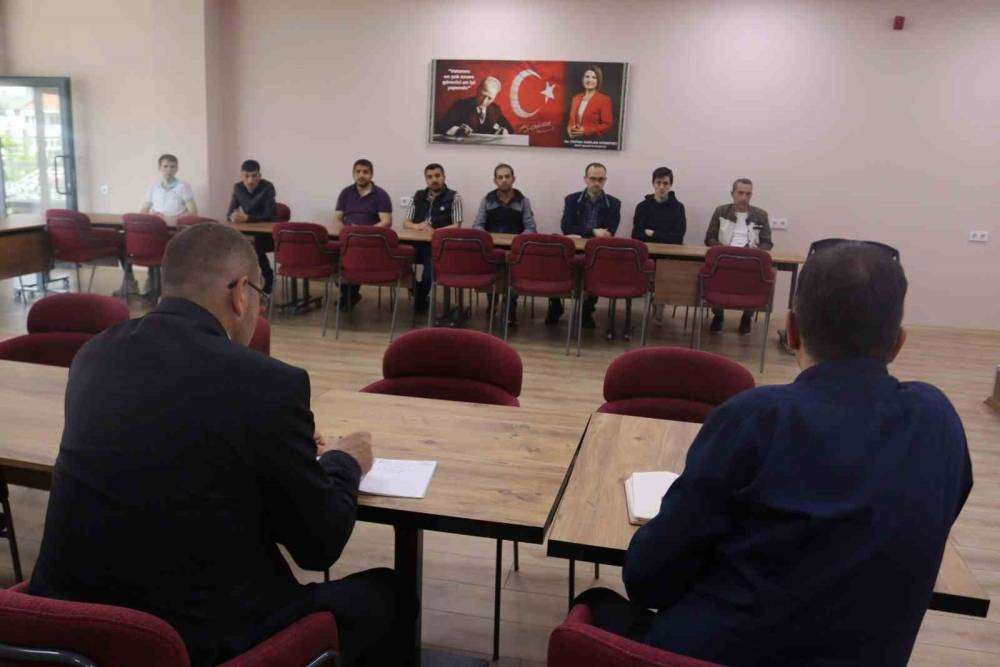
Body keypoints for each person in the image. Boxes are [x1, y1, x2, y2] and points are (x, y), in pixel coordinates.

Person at [575, 242, 972, 667]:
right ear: (898, 343)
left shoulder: (755, 418)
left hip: (713, 655)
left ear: (792, 330)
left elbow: (647, 580)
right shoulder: (938, 420)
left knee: (596, 606)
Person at [29, 223, 402, 666]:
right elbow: (319, 545)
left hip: (70, 628)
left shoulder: (94, 355)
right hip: (190, 641)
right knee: (388, 594)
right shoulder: (268, 383)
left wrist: (283, 443)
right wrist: (345, 460)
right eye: (259, 295)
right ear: (241, 292)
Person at [546, 163, 621, 336]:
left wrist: (583, 232)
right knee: (555, 254)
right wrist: (593, 231)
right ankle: (556, 304)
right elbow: (566, 227)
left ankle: (587, 310)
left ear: (605, 180)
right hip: (574, 248)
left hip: (597, 252)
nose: (596, 183)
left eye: (600, 179)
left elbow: (610, 232)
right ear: (585, 179)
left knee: (598, 264)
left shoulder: (614, 203)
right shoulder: (572, 200)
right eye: (593, 179)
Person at [704, 178, 773, 335]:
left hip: (750, 261)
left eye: (748, 194)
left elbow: (767, 242)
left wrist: (755, 253)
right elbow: (710, 238)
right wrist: (723, 251)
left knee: (759, 275)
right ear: (732, 194)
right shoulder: (721, 211)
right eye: (740, 193)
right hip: (724, 259)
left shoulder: (761, 215)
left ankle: (747, 317)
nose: (744, 197)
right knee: (714, 274)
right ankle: (718, 315)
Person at [472, 163, 537, 328]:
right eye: (500, 177)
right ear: (495, 181)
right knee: (491, 265)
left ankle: (510, 306)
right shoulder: (487, 200)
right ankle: (492, 300)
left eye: (507, 176)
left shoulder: (523, 201)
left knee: (513, 271)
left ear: (513, 179)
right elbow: (477, 225)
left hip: (515, 250)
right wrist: (488, 239)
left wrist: (518, 241)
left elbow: (531, 228)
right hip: (492, 248)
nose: (504, 180)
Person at [333, 159, 393, 311]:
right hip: (349, 240)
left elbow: (386, 222)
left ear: (371, 174)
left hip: (371, 242)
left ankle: (349, 296)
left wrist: (365, 232)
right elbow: (337, 218)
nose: (361, 175)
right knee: (332, 261)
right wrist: (344, 232)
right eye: (358, 172)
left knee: (353, 262)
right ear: (353, 174)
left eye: (365, 172)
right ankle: (350, 295)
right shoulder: (346, 193)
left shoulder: (381, 194)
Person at [404, 163, 463, 313]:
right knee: (398, 260)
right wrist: (417, 226)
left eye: (437, 176)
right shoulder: (418, 196)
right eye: (430, 177)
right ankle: (418, 293)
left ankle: (420, 297)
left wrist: (435, 231)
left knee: (430, 269)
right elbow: (406, 223)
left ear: (444, 176)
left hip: (438, 246)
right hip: (417, 243)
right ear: (426, 179)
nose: (434, 179)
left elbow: (456, 226)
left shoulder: (454, 197)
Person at [632, 166, 686, 323]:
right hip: (646, 253)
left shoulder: (678, 208)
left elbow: (678, 238)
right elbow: (636, 235)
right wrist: (663, 235)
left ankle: (659, 301)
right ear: (653, 183)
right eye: (658, 183)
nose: (661, 187)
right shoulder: (642, 206)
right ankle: (653, 298)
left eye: (665, 183)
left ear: (670, 185)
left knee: (666, 267)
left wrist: (653, 234)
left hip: (669, 254)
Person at [226, 159, 277, 293]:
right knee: (233, 242)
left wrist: (247, 218)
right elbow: (229, 214)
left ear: (260, 175)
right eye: (246, 176)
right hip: (249, 232)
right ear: (241, 176)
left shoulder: (268, 187)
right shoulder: (238, 187)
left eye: (254, 176)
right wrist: (233, 217)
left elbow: (268, 216)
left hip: (268, 234)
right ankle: (240, 282)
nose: (250, 180)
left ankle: (268, 277)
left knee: (253, 243)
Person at [438, 76, 513, 137]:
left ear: (495, 97)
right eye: (482, 95)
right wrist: (457, 130)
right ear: (478, 90)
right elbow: (441, 127)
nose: (484, 101)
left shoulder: (495, 109)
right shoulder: (461, 105)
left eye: (489, 98)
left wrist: (504, 131)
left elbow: (510, 130)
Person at [140, 153, 197, 222]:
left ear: (177, 169)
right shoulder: (153, 187)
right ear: (159, 168)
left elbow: (193, 212)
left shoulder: (183, 186)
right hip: (157, 223)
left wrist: (176, 219)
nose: (169, 169)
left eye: (172, 167)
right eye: (165, 166)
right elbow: (144, 209)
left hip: (175, 225)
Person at [566, 65, 614, 140]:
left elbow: (607, 125)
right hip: (575, 142)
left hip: (593, 142)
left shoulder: (604, 100)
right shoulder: (576, 98)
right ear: (583, 79)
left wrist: (585, 130)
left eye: (594, 77)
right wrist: (569, 129)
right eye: (587, 77)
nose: (589, 80)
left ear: (598, 81)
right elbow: (571, 120)